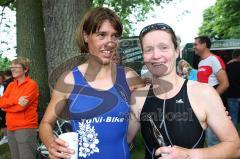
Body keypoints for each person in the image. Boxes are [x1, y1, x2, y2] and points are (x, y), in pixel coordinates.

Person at [39, 7, 143, 159]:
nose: (110, 42)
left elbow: (141, 118)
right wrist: (51, 145)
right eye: (102, 35)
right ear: (86, 36)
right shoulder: (69, 80)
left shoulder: (129, 78)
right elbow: (45, 124)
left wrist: (123, 139)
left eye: (114, 36)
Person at [127, 23, 240, 159]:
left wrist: (188, 154)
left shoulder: (203, 93)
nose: (156, 55)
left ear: (177, 51)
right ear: (143, 55)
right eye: (148, 49)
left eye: (164, 47)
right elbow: (120, 140)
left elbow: (235, 147)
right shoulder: (138, 97)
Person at [0, 57, 39, 159]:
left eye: (16, 67)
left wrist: (6, 107)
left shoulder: (31, 84)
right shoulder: (11, 85)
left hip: (25, 127)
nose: (12, 69)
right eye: (11, 67)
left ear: (25, 69)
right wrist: (16, 100)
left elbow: (21, 107)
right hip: (10, 127)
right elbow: (1, 102)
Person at [193, 36, 229, 147]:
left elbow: (225, 83)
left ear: (204, 45)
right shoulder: (201, 62)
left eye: (196, 44)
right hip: (203, 103)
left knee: (213, 139)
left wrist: (211, 98)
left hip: (213, 104)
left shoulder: (214, 59)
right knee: (206, 136)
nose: (194, 47)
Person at [226, 49, 240, 127]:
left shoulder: (227, 66)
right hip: (234, 95)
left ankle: (233, 134)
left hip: (231, 95)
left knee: (233, 116)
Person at [0, 70, 13, 145]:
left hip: (7, 107)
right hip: (1, 107)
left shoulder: (6, 85)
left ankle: (9, 137)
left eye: (1, 79)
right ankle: (5, 137)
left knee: (7, 122)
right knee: (3, 123)